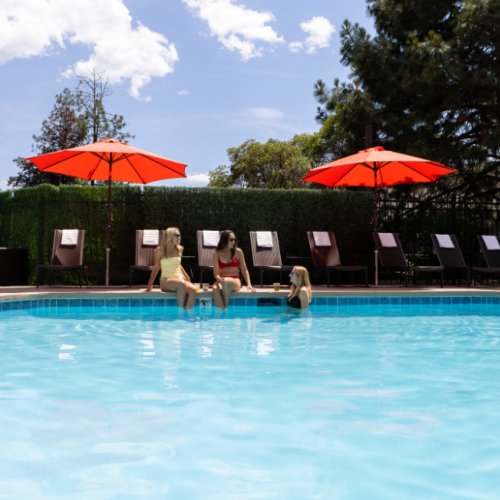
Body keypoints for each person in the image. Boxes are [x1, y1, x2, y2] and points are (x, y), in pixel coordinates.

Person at [146, 227, 197, 309]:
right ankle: (181, 314)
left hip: (181, 281)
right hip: (166, 281)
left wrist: (187, 276)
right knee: (182, 285)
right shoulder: (159, 250)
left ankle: (189, 314)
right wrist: (149, 285)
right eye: (176, 235)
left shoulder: (179, 249)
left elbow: (178, 265)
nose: (179, 237)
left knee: (193, 290)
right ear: (169, 236)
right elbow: (156, 268)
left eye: (179, 235)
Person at [213, 230, 255, 309]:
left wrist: (249, 284)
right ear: (224, 240)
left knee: (226, 282)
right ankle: (220, 311)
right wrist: (219, 279)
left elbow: (244, 270)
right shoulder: (216, 253)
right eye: (231, 240)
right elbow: (216, 273)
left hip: (235, 280)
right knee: (215, 289)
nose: (233, 242)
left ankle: (225, 308)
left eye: (234, 240)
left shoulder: (238, 252)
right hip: (222, 280)